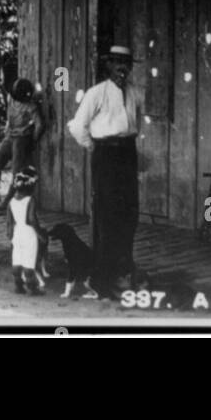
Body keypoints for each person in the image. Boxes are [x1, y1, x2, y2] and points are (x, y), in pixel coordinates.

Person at [67, 45, 141, 296]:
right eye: (117, 62)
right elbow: (78, 126)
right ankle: (102, 278)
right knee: (107, 215)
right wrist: (95, 148)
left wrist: (126, 149)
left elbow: (135, 125)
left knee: (129, 213)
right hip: (106, 155)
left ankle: (123, 272)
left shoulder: (134, 93)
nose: (123, 68)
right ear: (108, 65)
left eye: (127, 63)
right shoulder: (96, 93)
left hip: (127, 153)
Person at [0, 77, 45, 211]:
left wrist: (33, 140)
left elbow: (40, 125)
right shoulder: (11, 99)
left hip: (21, 139)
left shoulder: (30, 106)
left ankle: (6, 201)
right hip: (10, 136)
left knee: (16, 172)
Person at [5, 166, 45, 295]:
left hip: (17, 233)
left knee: (17, 259)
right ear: (31, 186)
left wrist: (10, 236)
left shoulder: (11, 201)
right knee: (29, 261)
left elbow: (10, 222)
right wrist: (40, 234)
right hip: (29, 234)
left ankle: (18, 286)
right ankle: (32, 288)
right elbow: (31, 219)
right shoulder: (30, 200)